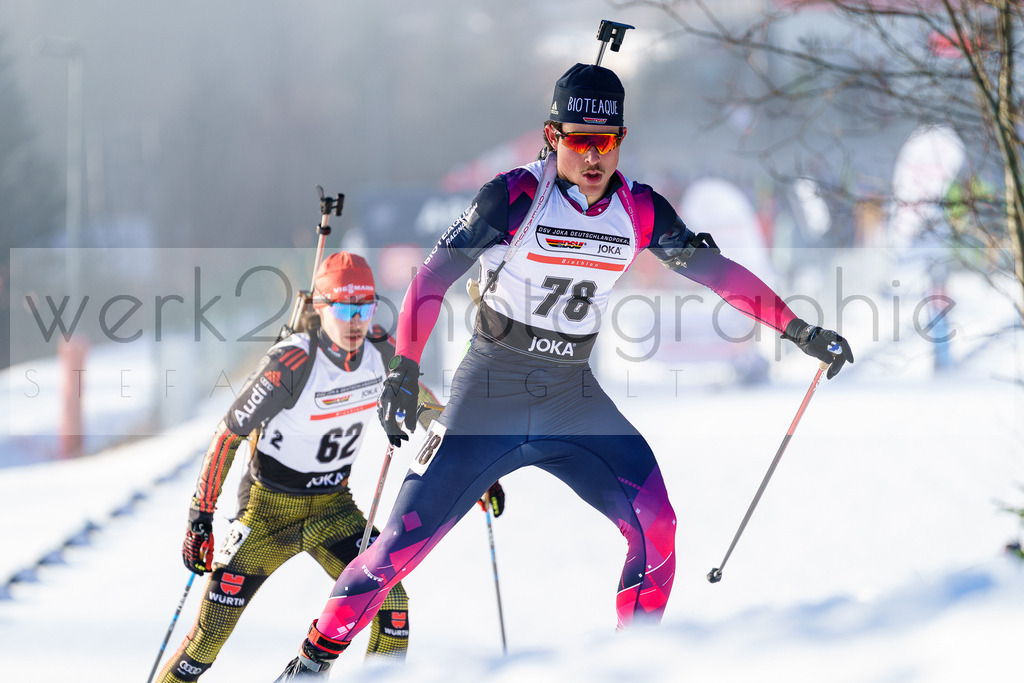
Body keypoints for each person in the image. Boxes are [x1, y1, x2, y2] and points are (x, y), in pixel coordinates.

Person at [275, 63, 854, 679]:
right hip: (489, 393)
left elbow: (720, 275)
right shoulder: (514, 195)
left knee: (658, 529)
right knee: (395, 549)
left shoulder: (639, 210)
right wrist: (404, 372)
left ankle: (633, 665)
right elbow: (430, 280)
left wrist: (799, 329)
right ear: (553, 136)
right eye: (580, 140)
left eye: (606, 142)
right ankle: (310, 664)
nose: (594, 155)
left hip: (571, 397)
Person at [157, 252, 443, 682]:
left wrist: (473, 469)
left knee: (392, 604)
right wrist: (201, 518)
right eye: (345, 310)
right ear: (321, 308)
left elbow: (429, 413)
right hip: (268, 514)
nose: (356, 321)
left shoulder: (381, 351)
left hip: (333, 509)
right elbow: (227, 435)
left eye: (365, 308)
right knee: (205, 643)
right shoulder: (293, 361)